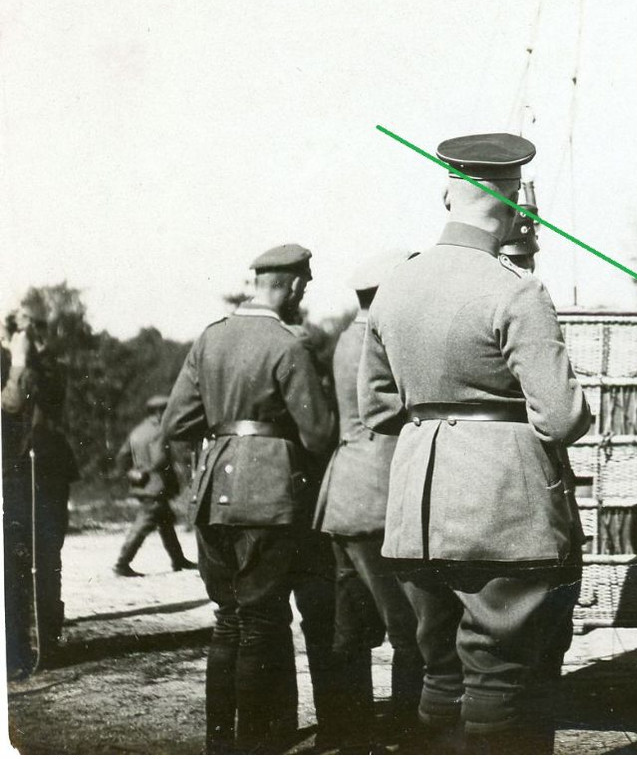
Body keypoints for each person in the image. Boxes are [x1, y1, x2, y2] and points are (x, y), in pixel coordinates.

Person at [360, 132, 592, 754]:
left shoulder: (395, 286)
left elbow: (376, 406)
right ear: (512, 200)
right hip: (501, 510)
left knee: (441, 668)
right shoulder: (515, 288)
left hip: (416, 511)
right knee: (501, 672)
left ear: (448, 193)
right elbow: (563, 418)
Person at [161, 244, 338, 753]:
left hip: (214, 492)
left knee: (229, 618)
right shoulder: (287, 344)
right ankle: (258, 742)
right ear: (296, 285)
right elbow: (320, 433)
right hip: (269, 496)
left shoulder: (211, 338)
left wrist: (226, 427)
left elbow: (177, 423)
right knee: (263, 619)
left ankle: (223, 738)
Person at [312, 249, 425, 746]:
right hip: (380, 497)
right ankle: (406, 729)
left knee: (351, 625)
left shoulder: (345, 339)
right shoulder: (383, 340)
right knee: (409, 626)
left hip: (343, 497)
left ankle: (346, 730)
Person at [3, 305, 79, 679]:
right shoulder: (13, 363)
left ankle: (47, 641)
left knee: (46, 556)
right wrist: (16, 360)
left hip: (44, 468)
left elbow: (46, 395)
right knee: (18, 562)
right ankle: (19, 648)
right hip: (14, 473)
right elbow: (11, 404)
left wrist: (28, 355)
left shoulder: (45, 366)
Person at [112, 395, 196, 576]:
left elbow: (122, 457)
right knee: (144, 524)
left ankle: (178, 559)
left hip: (143, 483)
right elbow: (160, 459)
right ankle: (122, 563)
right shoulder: (160, 431)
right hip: (156, 485)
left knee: (165, 523)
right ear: (159, 412)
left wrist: (133, 472)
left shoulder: (137, 431)